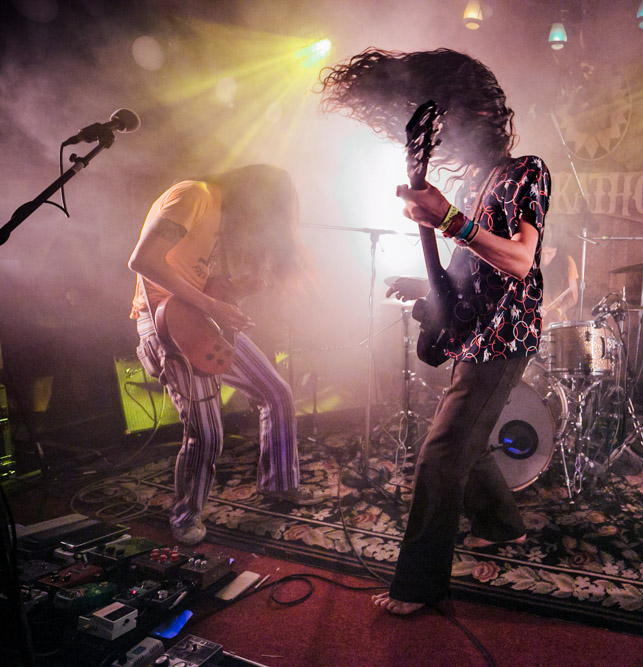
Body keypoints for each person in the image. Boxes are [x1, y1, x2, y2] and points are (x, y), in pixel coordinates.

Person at [320, 48, 550, 615]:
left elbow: (520, 261)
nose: (449, 139)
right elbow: (471, 271)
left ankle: (417, 585)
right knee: (466, 445)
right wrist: (427, 284)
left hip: (506, 338)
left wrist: (447, 219)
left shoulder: (527, 170)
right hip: (476, 333)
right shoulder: (475, 181)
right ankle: (502, 528)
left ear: (479, 118)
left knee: (441, 454)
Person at [128, 164, 323, 546]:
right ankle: (185, 515)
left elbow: (199, 280)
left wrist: (236, 289)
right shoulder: (195, 194)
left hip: (197, 316)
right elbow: (143, 261)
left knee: (276, 392)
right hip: (166, 321)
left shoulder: (217, 220)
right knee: (206, 432)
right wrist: (213, 306)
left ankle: (279, 485)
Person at [538, 237, 580, 325]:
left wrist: (558, 311)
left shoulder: (567, 262)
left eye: (550, 253)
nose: (545, 259)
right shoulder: (529, 260)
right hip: (530, 322)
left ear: (557, 251)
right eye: (542, 253)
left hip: (555, 324)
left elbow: (572, 297)